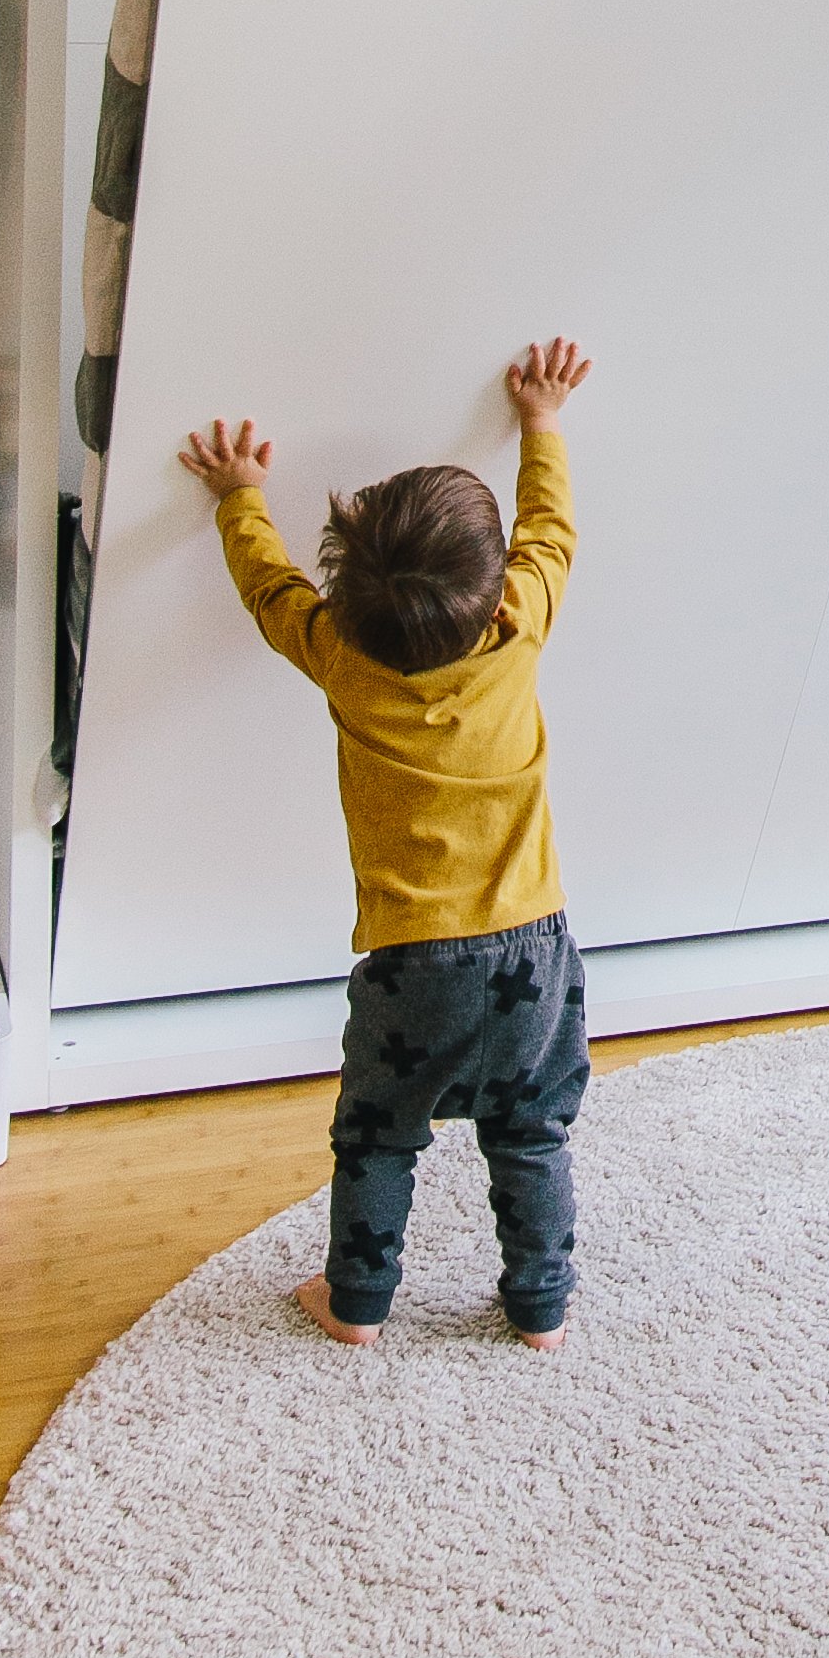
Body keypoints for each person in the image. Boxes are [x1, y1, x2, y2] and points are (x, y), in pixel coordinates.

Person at [178, 336, 596, 1352]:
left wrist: (239, 494)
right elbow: (552, 529)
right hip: (535, 954)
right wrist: (540, 424)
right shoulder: (520, 625)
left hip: (414, 967)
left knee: (379, 1136)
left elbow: (269, 588)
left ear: (348, 603)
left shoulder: (339, 656)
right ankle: (539, 1310)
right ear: (496, 593)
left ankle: (357, 1304)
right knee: (530, 1134)